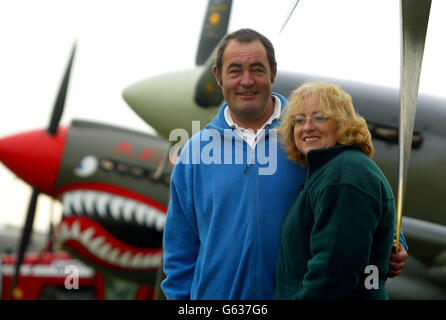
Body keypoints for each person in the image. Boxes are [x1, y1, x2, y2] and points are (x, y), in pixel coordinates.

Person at [161, 28, 407, 300]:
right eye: (235, 71)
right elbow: (180, 250)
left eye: (257, 69)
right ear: (218, 76)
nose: (246, 81)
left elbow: (363, 191)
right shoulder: (194, 152)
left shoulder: (309, 136)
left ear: (273, 72)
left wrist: (396, 241)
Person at [274, 81, 400, 300]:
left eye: (320, 117)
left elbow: (334, 274)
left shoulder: (344, 175)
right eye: (299, 120)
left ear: (342, 123)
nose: (307, 126)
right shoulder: (330, 171)